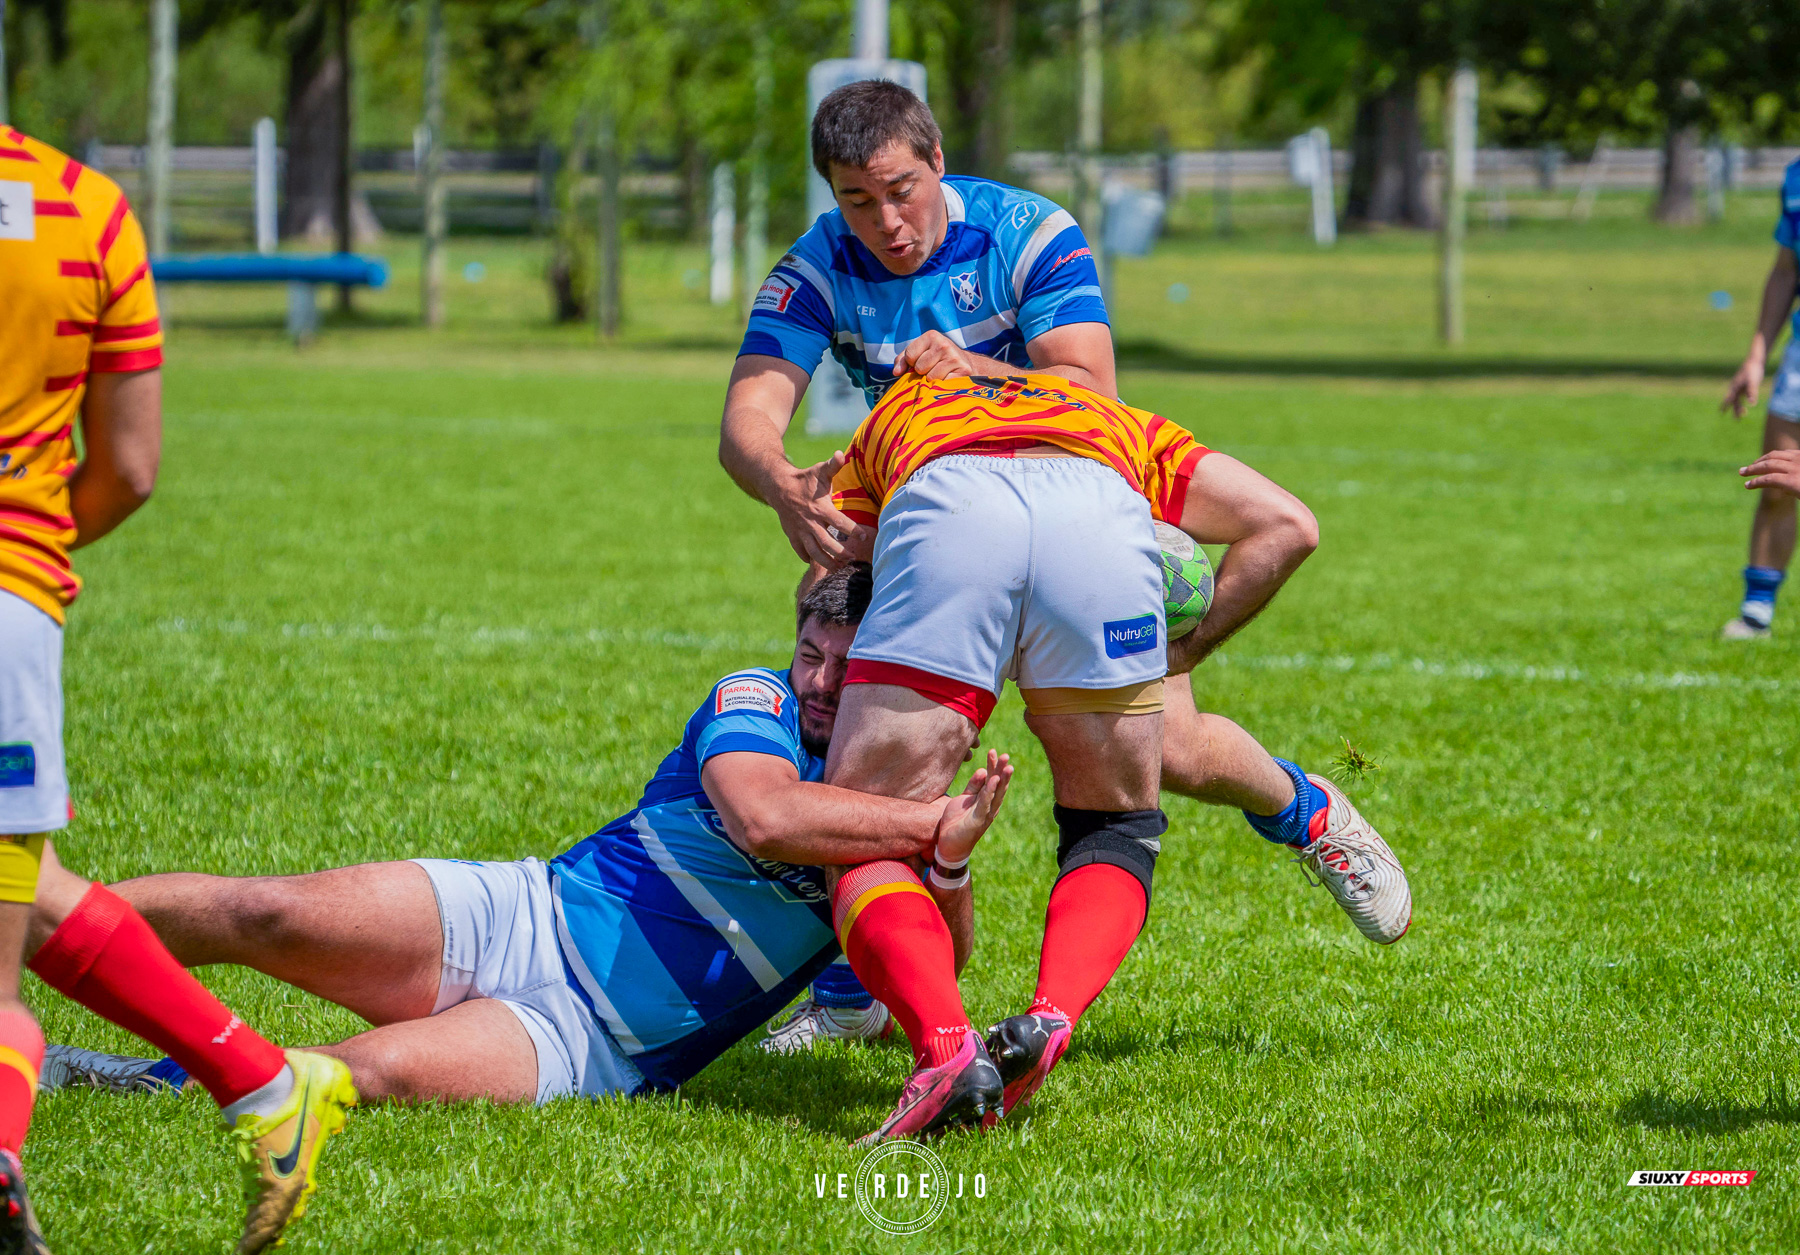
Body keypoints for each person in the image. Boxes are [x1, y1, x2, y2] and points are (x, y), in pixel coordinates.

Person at [36, 568, 1014, 1118]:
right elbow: (763, 814)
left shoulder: (898, 789)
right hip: (525, 916)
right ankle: (28, 920)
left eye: (846, 668)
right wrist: (929, 827)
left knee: (359, 1073)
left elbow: (932, 961)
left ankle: (130, 1074)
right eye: (811, 652)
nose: (817, 680)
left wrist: (952, 859)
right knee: (265, 910)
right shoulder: (751, 698)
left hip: (590, 1047)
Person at [777, 373, 1410, 1144]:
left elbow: (833, 568)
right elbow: (1291, 525)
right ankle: (1050, 1016)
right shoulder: (1113, 415)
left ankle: (946, 1048)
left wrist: (853, 683)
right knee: (1115, 824)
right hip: (1102, 519)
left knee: (868, 829)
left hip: (947, 505)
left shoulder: (903, 403)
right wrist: (1175, 652)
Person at [0, 126, 354, 1254]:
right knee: (23, 885)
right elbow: (132, 465)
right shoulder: (83, 205)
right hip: (12, 598)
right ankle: (263, 1083)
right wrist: (31, 559)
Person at [1718, 160, 1800, 638]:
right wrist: (1756, 355)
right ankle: (1757, 609)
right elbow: (1787, 270)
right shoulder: (1795, 177)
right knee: (1779, 478)